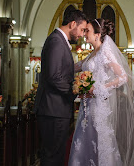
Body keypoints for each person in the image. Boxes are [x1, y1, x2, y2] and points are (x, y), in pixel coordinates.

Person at [68, 18, 134, 166]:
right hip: (86, 105)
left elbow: (123, 77)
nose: (85, 34)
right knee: (84, 138)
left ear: (97, 34)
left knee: (99, 140)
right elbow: (75, 67)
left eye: (88, 31)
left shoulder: (105, 53)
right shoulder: (92, 54)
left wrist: (98, 88)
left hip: (98, 105)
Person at [33, 10, 88, 166]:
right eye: (82, 29)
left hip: (55, 109)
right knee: (53, 157)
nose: (82, 34)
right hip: (53, 110)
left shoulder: (59, 41)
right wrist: (75, 91)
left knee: (55, 155)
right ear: (72, 24)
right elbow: (54, 77)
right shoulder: (57, 41)